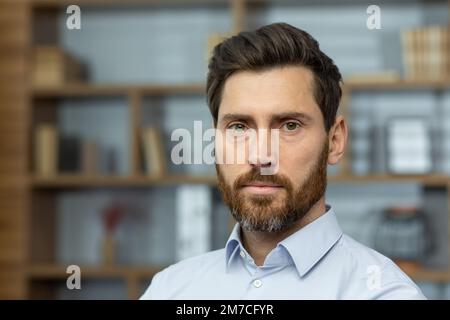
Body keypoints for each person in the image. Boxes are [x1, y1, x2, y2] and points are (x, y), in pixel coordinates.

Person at [141, 22, 425, 299]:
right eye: (239, 127)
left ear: (335, 141)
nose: (261, 156)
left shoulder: (383, 292)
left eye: (289, 125)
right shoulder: (169, 289)